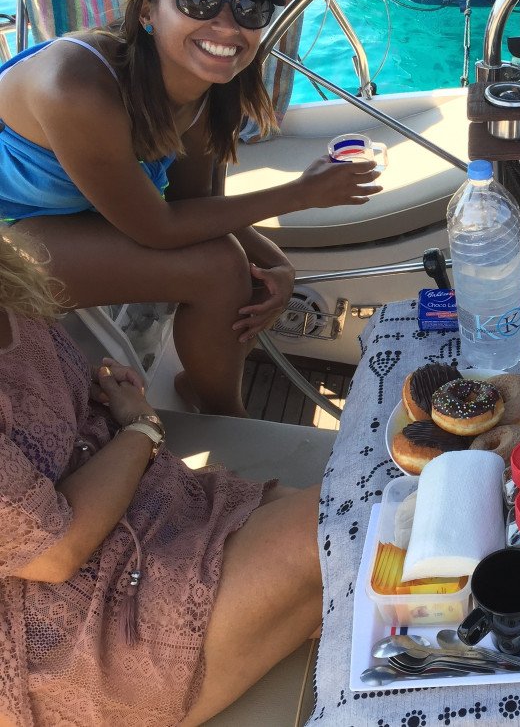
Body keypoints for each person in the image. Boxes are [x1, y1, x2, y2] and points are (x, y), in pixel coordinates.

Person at [0, 0, 381, 416]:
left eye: (249, 7)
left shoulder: (201, 91)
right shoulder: (75, 86)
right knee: (218, 267)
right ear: (147, 11)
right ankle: (226, 417)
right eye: (199, 0)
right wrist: (300, 193)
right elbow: (158, 228)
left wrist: (277, 265)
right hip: (8, 235)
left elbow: (195, 205)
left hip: (56, 219)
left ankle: (208, 395)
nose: (228, 25)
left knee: (237, 266)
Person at [0, 225, 323, 726]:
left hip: (155, 503)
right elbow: (53, 550)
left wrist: (104, 392)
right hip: (77, 624)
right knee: (345, 531)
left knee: (382, 536)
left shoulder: (8, 275)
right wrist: (141, 429)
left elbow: (49, 391)